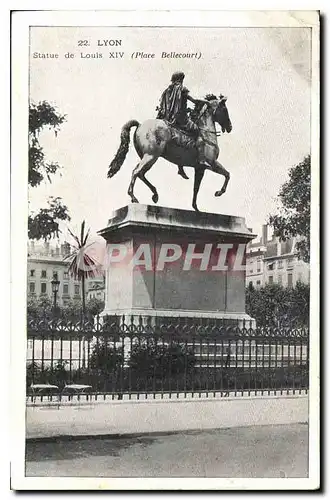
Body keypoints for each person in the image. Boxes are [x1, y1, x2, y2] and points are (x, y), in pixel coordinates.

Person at [156, 72, 212, 172]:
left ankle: (180, 167)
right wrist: (205, 102)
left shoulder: (167, 91)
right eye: (182, 79)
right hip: (181, 119)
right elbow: (194, 100)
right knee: (197, 132)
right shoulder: (182, 89)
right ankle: (202, 160)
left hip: (168, 118)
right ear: (181, 79)